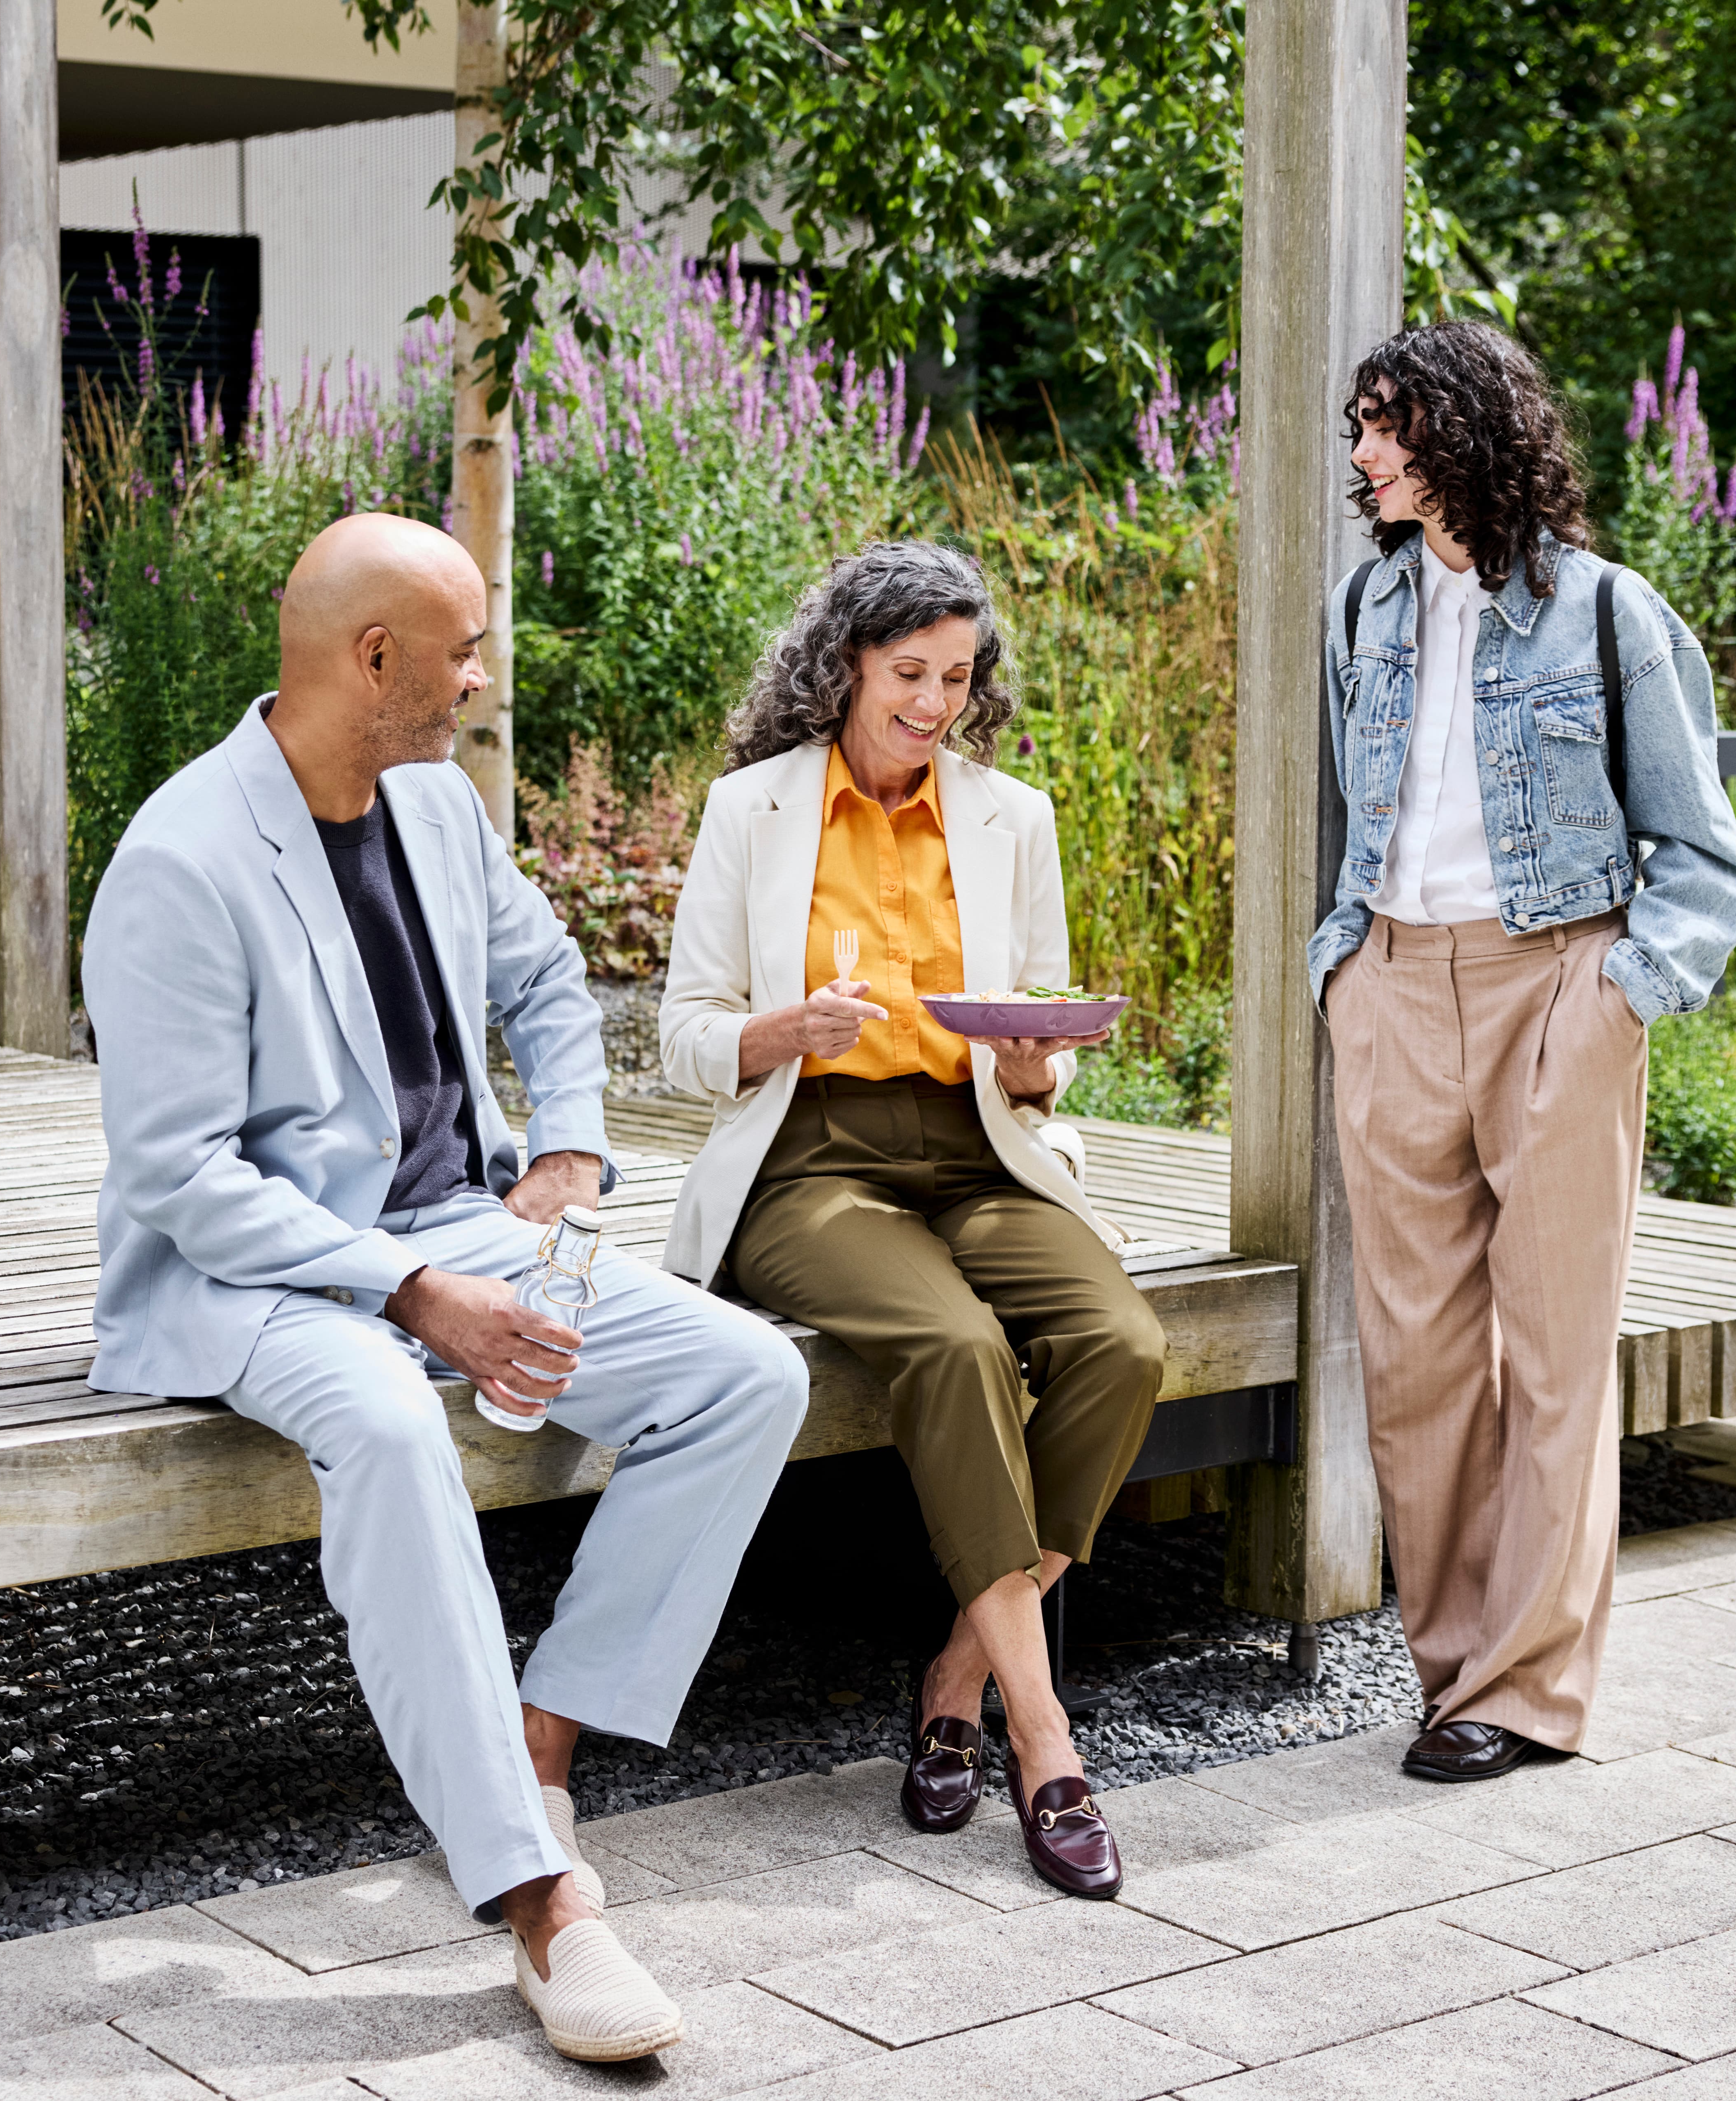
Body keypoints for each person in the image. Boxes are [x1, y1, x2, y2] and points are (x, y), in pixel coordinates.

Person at [81, 511, 811, 2062]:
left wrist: (569, 1151)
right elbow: (182, 1178)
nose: (481, 677)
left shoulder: (434, 807)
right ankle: (542, 1899)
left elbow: (547, 983)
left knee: (748, 1377)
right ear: (374, 660)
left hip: (453, 1224)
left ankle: (534, 1741)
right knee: (399, 1435)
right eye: (464, 648)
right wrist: (414, 1289)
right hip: (254, 1278)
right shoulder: (182, 860)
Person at [658, 541, 1165, 1898]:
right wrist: (779, 1031)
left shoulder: (1012, 818)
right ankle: (1044, 1741)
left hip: (978, 1153)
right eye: (908, 673)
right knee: (954, 1349)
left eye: (955, 676)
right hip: (809, 1165)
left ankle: (958, 1668)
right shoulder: (752, 812)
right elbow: (679, 1041)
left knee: (1121, 1343)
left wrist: (1032, 1064)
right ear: (842, 669)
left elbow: (1038, 1032)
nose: (936, 702)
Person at [1315, 321, 1736, 1783]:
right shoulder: (1361, 611)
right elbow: (1354, 819)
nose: (1366, 454)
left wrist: (1618, 995)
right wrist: (1342, 971)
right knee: (1416, 1358)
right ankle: (1450, 1670)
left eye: (1387, 426)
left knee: (1556, 1352)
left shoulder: (1605, 614)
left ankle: (1526, 1692)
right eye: (1363, 428)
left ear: (1464, 434)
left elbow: (1705, 854)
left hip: (1554, 986)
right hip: (1392, 985)